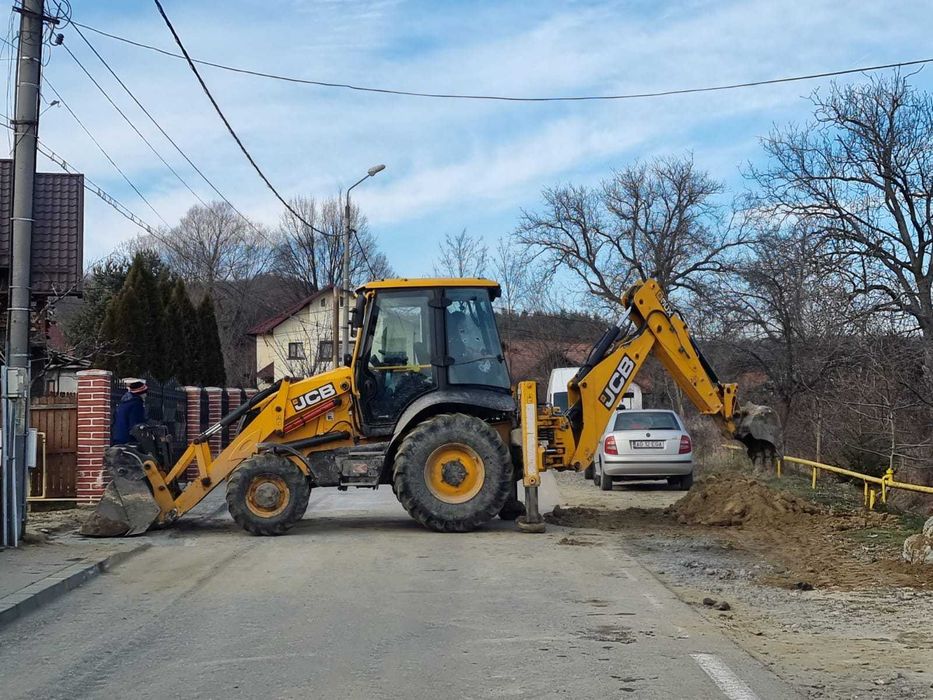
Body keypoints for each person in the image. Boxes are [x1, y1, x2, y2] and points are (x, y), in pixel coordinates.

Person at [112, 380, 148, 444]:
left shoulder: (123, 403)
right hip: (129, 440)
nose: (146, 395)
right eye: (145, 393)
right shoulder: (137, 404)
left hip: (117, 437)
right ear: (141, 393)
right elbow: (136, 425)